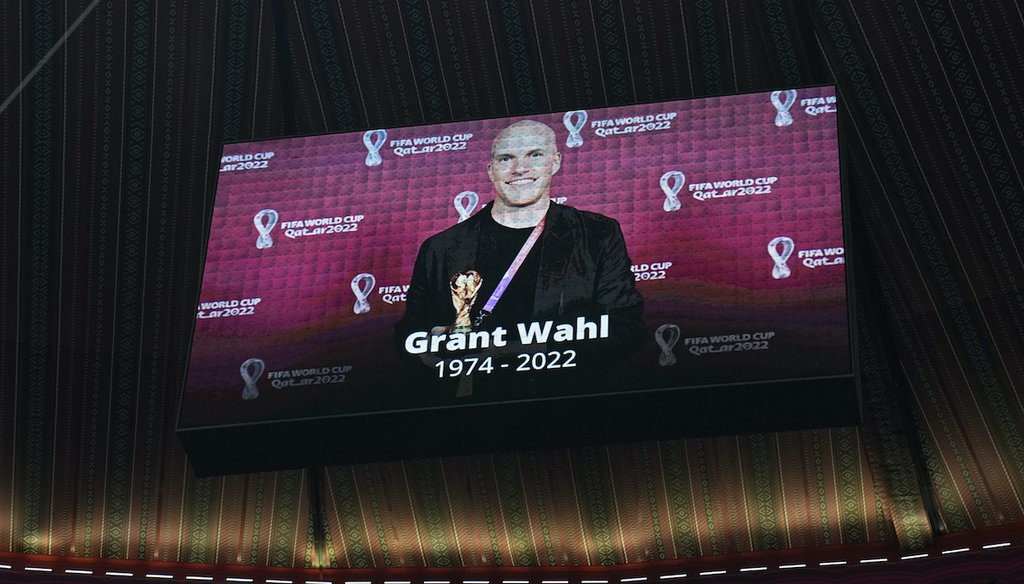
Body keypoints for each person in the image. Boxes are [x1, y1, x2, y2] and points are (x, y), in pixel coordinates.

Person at [395, 120, 644, 391]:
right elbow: (409, 338)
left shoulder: (597, 234)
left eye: (534, 155)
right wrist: (436, 342)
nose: (519, 169)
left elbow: (625, 329)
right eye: (506, 158)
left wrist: (524, 349)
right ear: (491, 170)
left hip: (566, 401)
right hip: (471, 405)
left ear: (555, 162)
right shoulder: (440, 248)